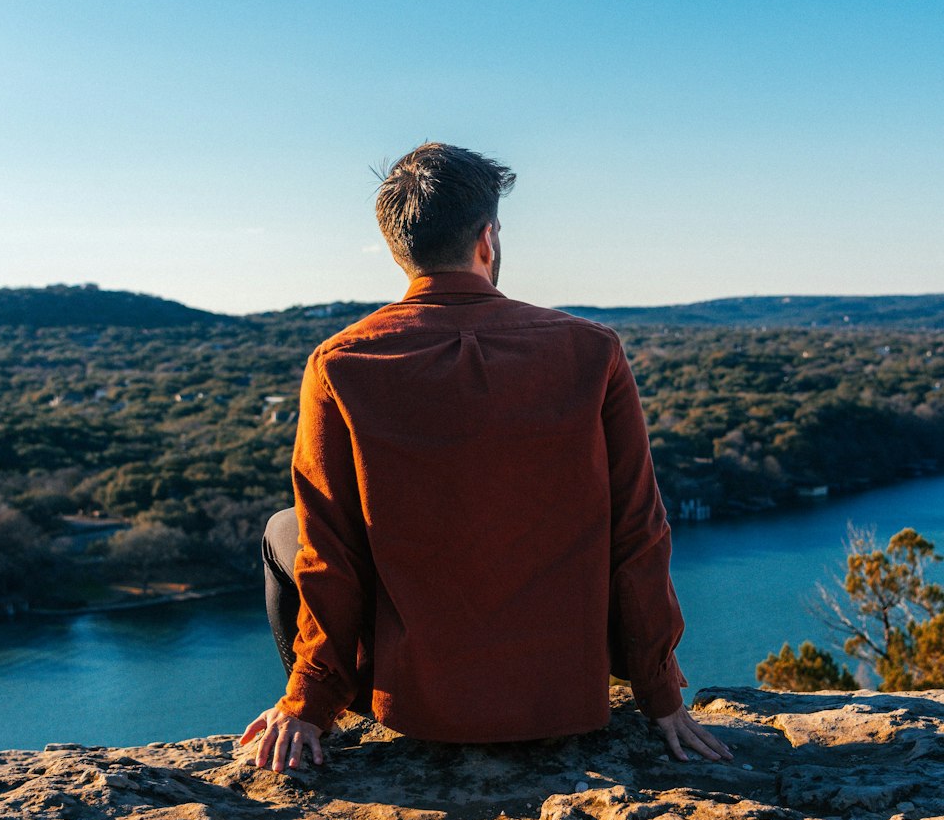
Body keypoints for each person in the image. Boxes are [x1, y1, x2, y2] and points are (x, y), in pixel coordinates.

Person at [241, 143, 731, 774]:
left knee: (287, 528)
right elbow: (640, 533)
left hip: (417, 711)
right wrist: (660, 695)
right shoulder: (592, 351)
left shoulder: (341, 363)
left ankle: (317, 726)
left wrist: (305, 699)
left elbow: (328, 556)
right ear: (488, 238)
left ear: (397, 248)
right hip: (568, 702)